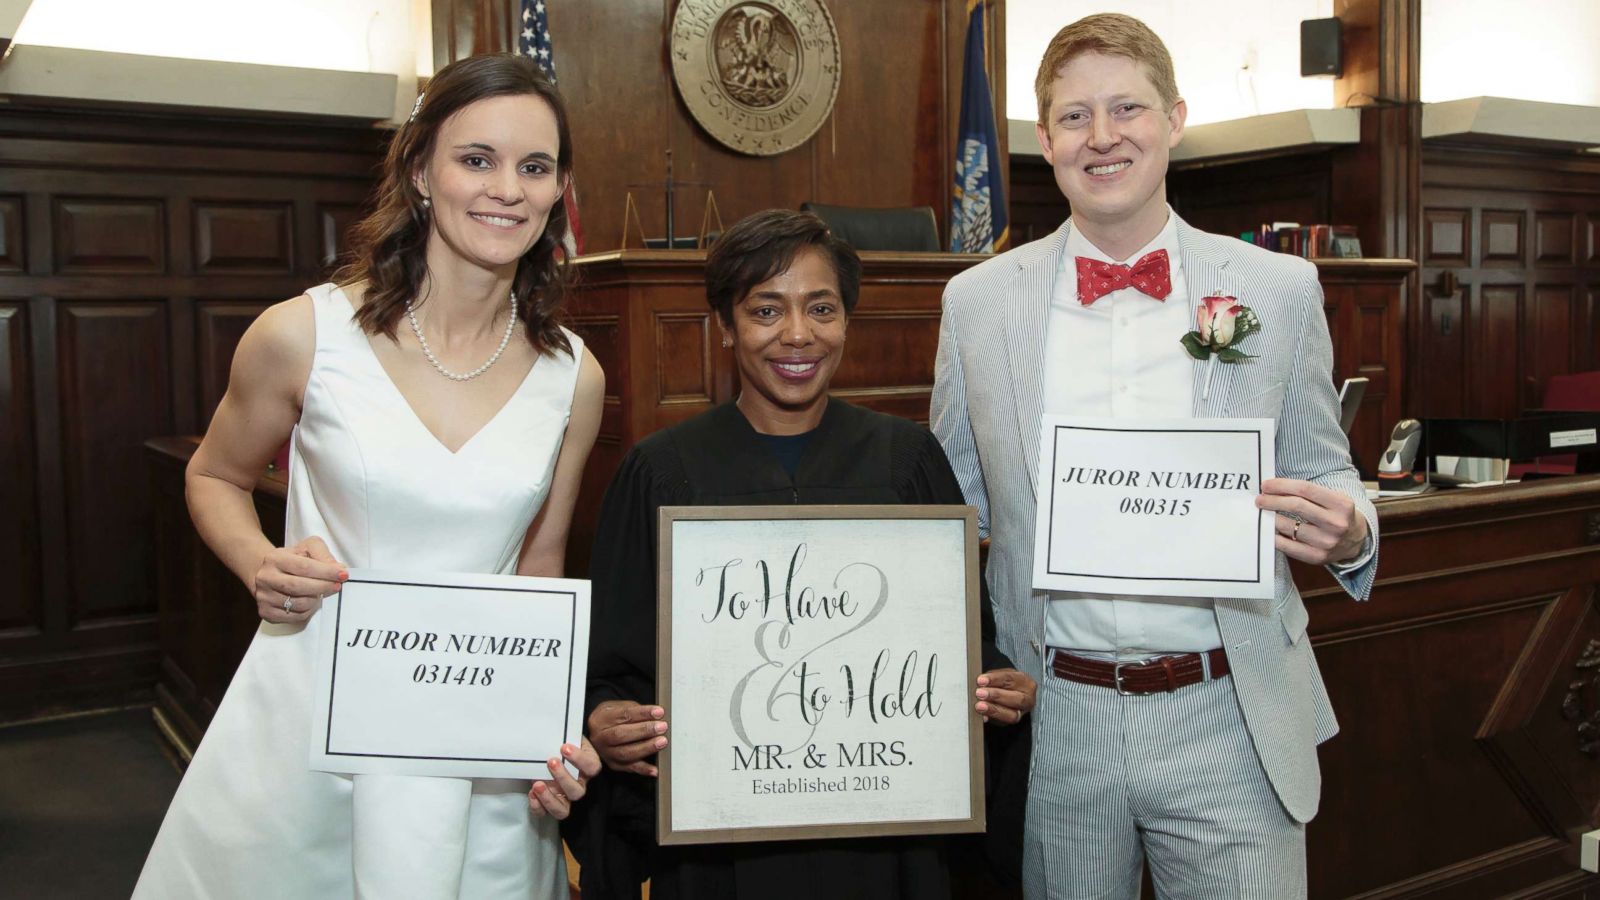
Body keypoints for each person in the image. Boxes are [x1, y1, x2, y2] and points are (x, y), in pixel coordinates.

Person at [133, 54, 605, 900]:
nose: (506, 188)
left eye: (534, 167)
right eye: (477, 159)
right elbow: (214, 474)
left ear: (558, 189)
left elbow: (541, 572)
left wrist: (548, 733)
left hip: (474, 743)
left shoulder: (575, 375)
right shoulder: (303, 334)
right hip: (313, 717)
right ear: (421, 169)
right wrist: (257, 561)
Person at [930, 14, 1378, 900]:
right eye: (1073, 116)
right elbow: (950, 509)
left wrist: (1352, 529)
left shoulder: (1276, 289)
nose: (1102, 137)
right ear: (1045, 139)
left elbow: (1326, 467)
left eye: (1126, 108)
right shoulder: (976, 303)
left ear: (1173, 119)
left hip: (1230, 708)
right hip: (1056, 716)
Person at [565, 208, 1037, 900]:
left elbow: (963, 644)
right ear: (725, 326)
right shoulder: (662, 473)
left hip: (885, 841)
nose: (797, 334)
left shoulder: (906, 462)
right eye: (765, 310)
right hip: (720, 852)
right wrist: (605, 719)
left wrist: (999, 686)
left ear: (847, 321)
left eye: (821, 308)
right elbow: (613, 665)